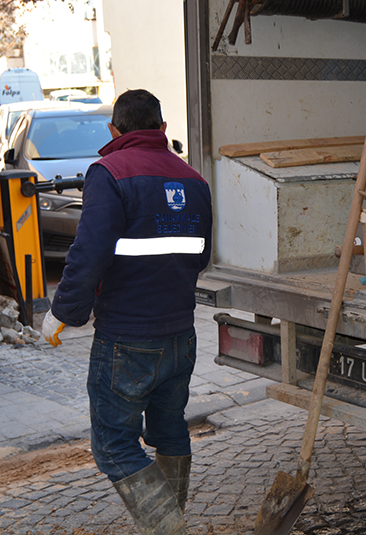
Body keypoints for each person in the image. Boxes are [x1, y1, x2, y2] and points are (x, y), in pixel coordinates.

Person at [42, 89, 212, 535]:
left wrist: (62, 311)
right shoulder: (194, 180)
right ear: (162, 130)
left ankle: (169, 529)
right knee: (170, 428)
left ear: (113, 131)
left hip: (127, 340)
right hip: (180, 337)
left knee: (114, 446)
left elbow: (88, 251)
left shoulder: (109, 172)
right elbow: (201, 256)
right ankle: (170, 521)